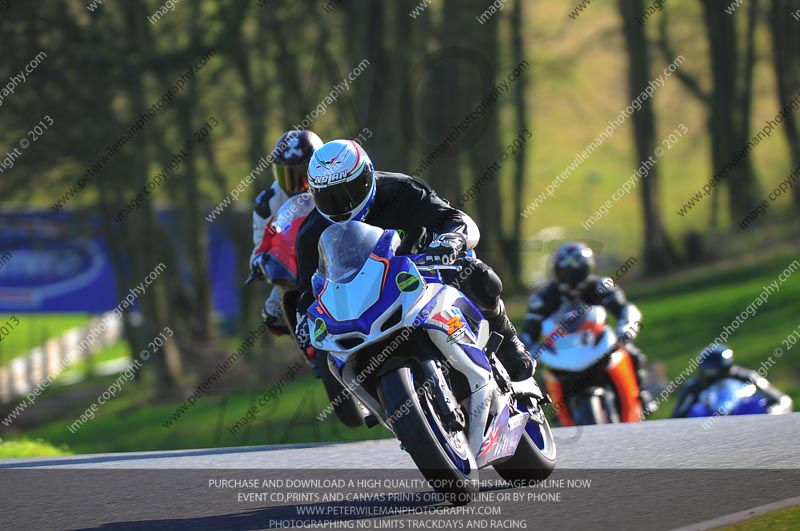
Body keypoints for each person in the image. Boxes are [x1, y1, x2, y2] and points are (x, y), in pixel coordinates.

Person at [292, 139, 534, 381]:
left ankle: (509, 342)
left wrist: (450, 240)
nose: (341, 205)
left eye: (348, 191)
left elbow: (453, 218)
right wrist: (304, 319)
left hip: (424, 274)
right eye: (328, 197)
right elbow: (307, 290)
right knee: (331, 353)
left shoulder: (401, 189)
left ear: (367, 176)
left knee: (476, 274)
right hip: (361, 302)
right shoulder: (309, 234)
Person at [521, 242, 655, 410]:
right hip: (562, 349)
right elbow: (528, 332)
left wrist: (626, 326)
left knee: (633, 354)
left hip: (596, 342)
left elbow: (623, 308)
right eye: (566, 273)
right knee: (540, 378)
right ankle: (546, 413)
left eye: (576, 273)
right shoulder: (543, 298)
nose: (572, 280)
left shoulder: (602, 286)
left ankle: (642, 394)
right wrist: (529, 353)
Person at [248, 130, 324, 335]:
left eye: (303, 175)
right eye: (289, 175)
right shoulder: (268, 202)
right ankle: (309, 352)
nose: (297, 184)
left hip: (332, 258)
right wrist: (260, 263)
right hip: (293, 269)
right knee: (271, 315)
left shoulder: (330, 186)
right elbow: (259, 247)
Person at [671, 344, 793, 418]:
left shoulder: (747, 377)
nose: (716, 380)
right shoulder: (693, 387)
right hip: (706, 431)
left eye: (720, 374)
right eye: (711, 377)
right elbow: (677, 416)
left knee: (756, 404)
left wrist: (774, 411)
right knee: (696, 411)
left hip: (746, 421)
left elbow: (782, 399)